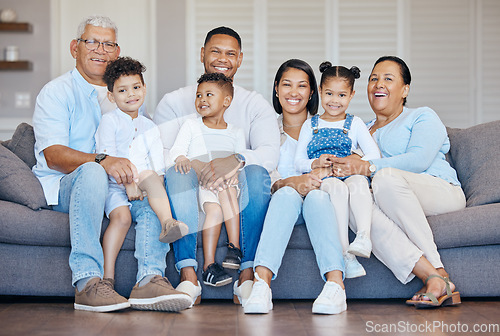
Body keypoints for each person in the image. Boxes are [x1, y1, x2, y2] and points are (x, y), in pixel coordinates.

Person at [32, 15, 191, 313]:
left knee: (152, 198)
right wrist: (104, 161)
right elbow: (53, 156)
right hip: (67, 185)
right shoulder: (57, 92)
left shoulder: (123, 95)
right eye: (92, 41)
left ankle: (149, 279)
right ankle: (89, 283)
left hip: (117, 184)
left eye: (108, 44)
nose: (100, 50)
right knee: (92, 171)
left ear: (117, 52)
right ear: (74, 48)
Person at [154, 26, 280, 306]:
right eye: (215, 51)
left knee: (258, 172)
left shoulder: (254, 104)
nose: (223, 58)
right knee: (177, 172)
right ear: (202, 54)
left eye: (230, 53)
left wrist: (234, 160)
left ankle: (246, 276)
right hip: (191, 182)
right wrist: (197, 165)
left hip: (233, 184)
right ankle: (189, 276)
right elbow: (160, 153)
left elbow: (270, 153)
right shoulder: (174, 102)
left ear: (240, 59)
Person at [331, 56, 466, 308]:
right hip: (387, 196)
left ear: (405, 90)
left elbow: (419, 159)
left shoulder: (422, 116)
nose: (378, 84)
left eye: (388, 79)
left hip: (438, 189)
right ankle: (432, 276)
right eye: (374, 79)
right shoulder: (361, 128)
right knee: (352, 198)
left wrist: (369, 166)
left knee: (384, 178)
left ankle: (440, 270)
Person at [244, 59, 346, 315]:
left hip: (320, 203)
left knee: (316, 198)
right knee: (287, 195)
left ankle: (336, 286)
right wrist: (290, 183)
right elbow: (257, 179)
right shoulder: (263, 130)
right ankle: (261, 284)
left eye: (302, 86)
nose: (294, 92)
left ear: (312, 92)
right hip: (280, 205)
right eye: (287, 84)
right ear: (276, 88)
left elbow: (346, 166)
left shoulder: (327, 127)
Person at [96, 57, 189, 283]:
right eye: (122, 90)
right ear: (111, 96)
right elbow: (108, 158)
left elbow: (157, 163)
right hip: (114, 186)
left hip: (145, 185)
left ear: (144, 89)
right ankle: (107, 277)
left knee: (152, 197)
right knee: (121, 218)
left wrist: (152, 187)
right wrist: (128, 184)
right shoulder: (109, 122)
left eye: (136, 87)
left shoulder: (150, 126)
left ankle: (151, 273)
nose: (131, 95)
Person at [294, 62, 381, 279]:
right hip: (326, 178)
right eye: (329, 94)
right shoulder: (310, 124)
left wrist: (354, 159)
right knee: (338, 191)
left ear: (352, 95)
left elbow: (374, 155)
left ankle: (363, 236)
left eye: (342, 95)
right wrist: (315, 163)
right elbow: (298, 161)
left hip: (348, 173)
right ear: (320, 92)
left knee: (360, 183)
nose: (335, 100)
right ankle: (345, 253)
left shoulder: (355, 123)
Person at [170, 73, 246, 289]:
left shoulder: (236, 131)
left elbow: (240, 160)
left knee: (226, 193)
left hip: (228, 184)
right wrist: (184, 159)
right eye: (198, 95)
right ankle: (209, 265)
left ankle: (233, 248)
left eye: (209, 95)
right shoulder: (191, 126)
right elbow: (177, 151)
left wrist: (229, 174)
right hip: (203, 184)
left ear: (226, 101)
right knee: (214, 212)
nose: (202, 99)